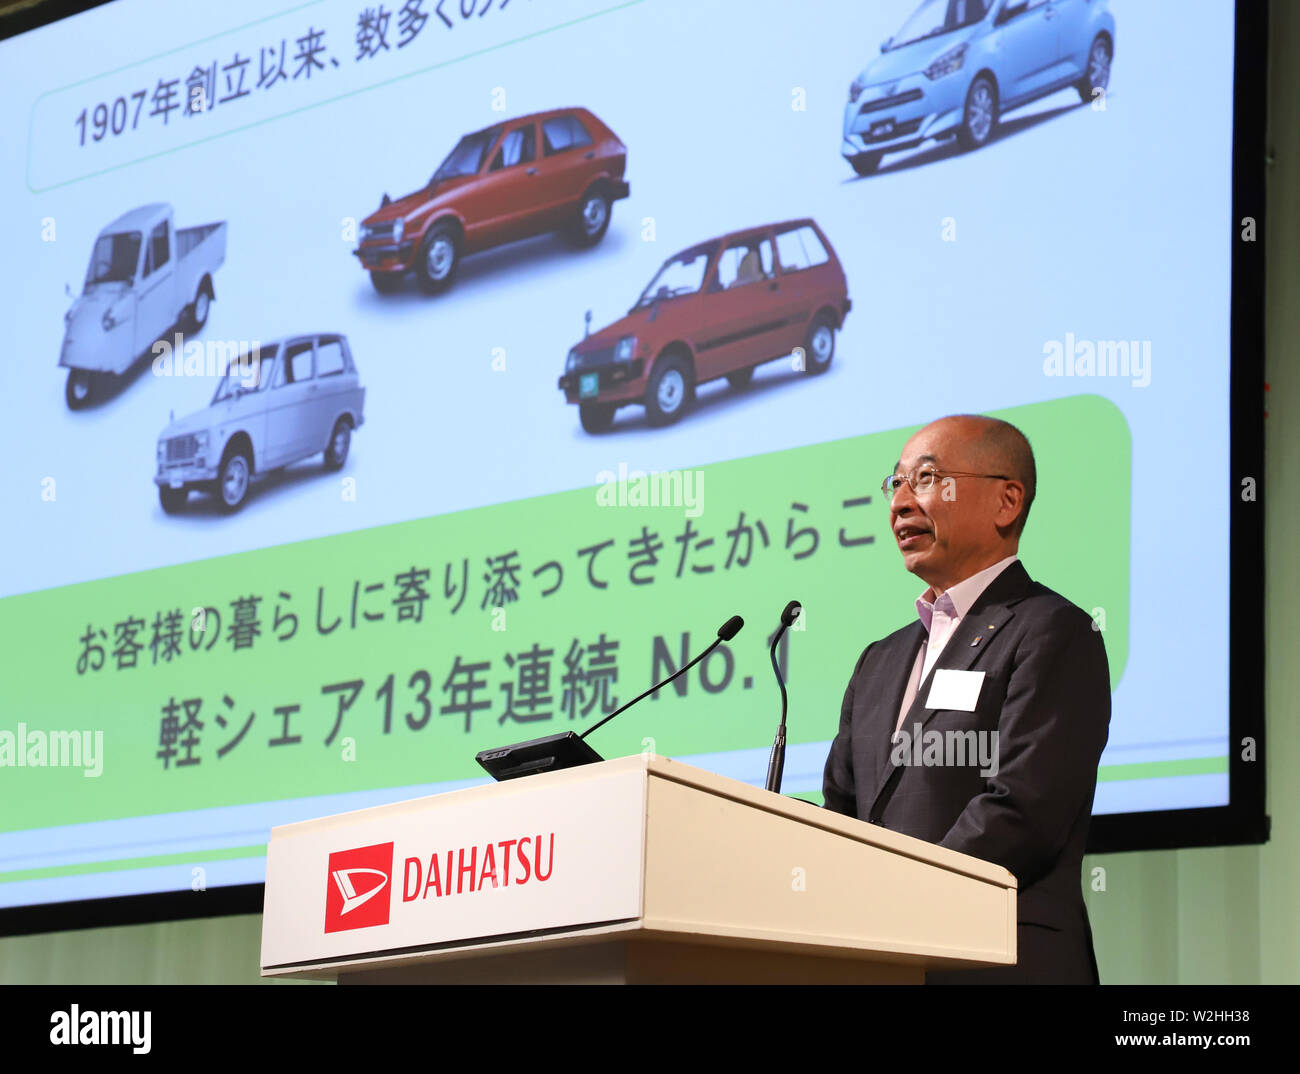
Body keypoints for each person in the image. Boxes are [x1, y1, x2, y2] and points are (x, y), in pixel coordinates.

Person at [822, 414, 1111, 983]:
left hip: (1000, 960)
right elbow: (842, 810)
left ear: (1007, 501)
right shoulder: (878, 660)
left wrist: (899, 906)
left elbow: (1020, 809)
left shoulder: (1054, 631)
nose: (900, 503)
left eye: (926, 478)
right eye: (895, 483)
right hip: (884, 964)